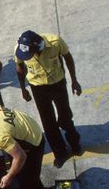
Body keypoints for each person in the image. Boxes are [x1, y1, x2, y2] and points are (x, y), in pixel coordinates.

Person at [15, 30, 83, 168]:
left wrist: (74, 81)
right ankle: (60, 153)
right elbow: (20, 67)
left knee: (65, 116)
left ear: (38, 46)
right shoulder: (20, 48)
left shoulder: (55, 42)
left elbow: (68, 58)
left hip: (58, 83)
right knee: (48, 121)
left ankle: (75, 143)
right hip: (38, 87)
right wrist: (23, 88)